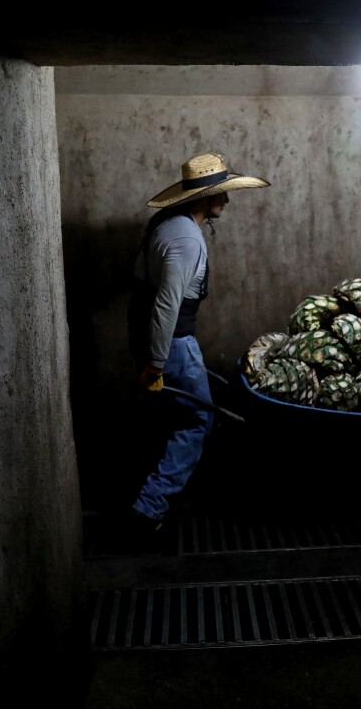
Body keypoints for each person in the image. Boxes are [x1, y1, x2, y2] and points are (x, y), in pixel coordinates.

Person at [123, 152, 270, 546]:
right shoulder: (186, 239)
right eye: (221, 193)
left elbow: (142, 284)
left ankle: (150, 502)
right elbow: (167, 303)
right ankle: (148, 509)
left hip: (157, 339)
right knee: (195, 422)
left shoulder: (166, 224)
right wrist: (155, 364)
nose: (227, 200)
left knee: (172, 419)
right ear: (203, 198)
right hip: (172, 343)